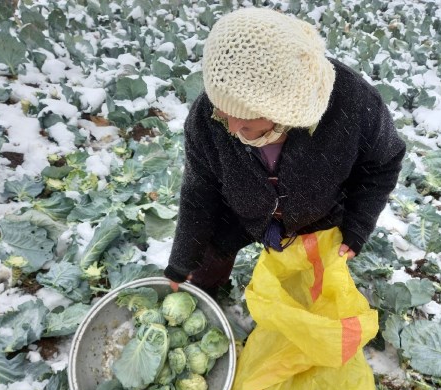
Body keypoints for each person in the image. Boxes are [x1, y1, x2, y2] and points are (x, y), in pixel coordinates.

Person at [164, 8, 406, 297]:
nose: (231, 126)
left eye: (247, 117)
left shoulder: (353, 102)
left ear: (283, 107)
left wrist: (358, 227)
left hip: (317, 218)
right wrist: (183, 259)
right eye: (222, 112)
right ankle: (207, 293)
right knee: (205, 263)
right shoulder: (206, 118)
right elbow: (198, 190)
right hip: (240, 212)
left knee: (303, 293)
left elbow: (383, 163)